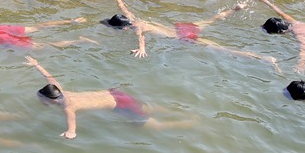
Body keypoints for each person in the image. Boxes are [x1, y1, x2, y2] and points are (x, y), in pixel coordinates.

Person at [25, 56, 193, 140]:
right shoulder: (60, 91)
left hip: (120, 104)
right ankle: (174, 110)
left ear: (53, 100)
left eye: (43, 100)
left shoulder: (68, 106)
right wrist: (37, 65)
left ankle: (189, 123)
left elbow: (72, 124)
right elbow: (50, 79)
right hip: (115, 93)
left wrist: (71, 132)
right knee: (143, 107)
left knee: (152, 126)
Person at [105, 0, 276, 68]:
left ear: (124, 27)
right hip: (182, 27)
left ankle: (264, 58)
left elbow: (140, 36)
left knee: (223, 49)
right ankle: (236, 8)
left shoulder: (135, 26)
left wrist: (142, 48)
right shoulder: (135, 18)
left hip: (183, 37)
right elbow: (123, 8)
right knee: (212, 19)